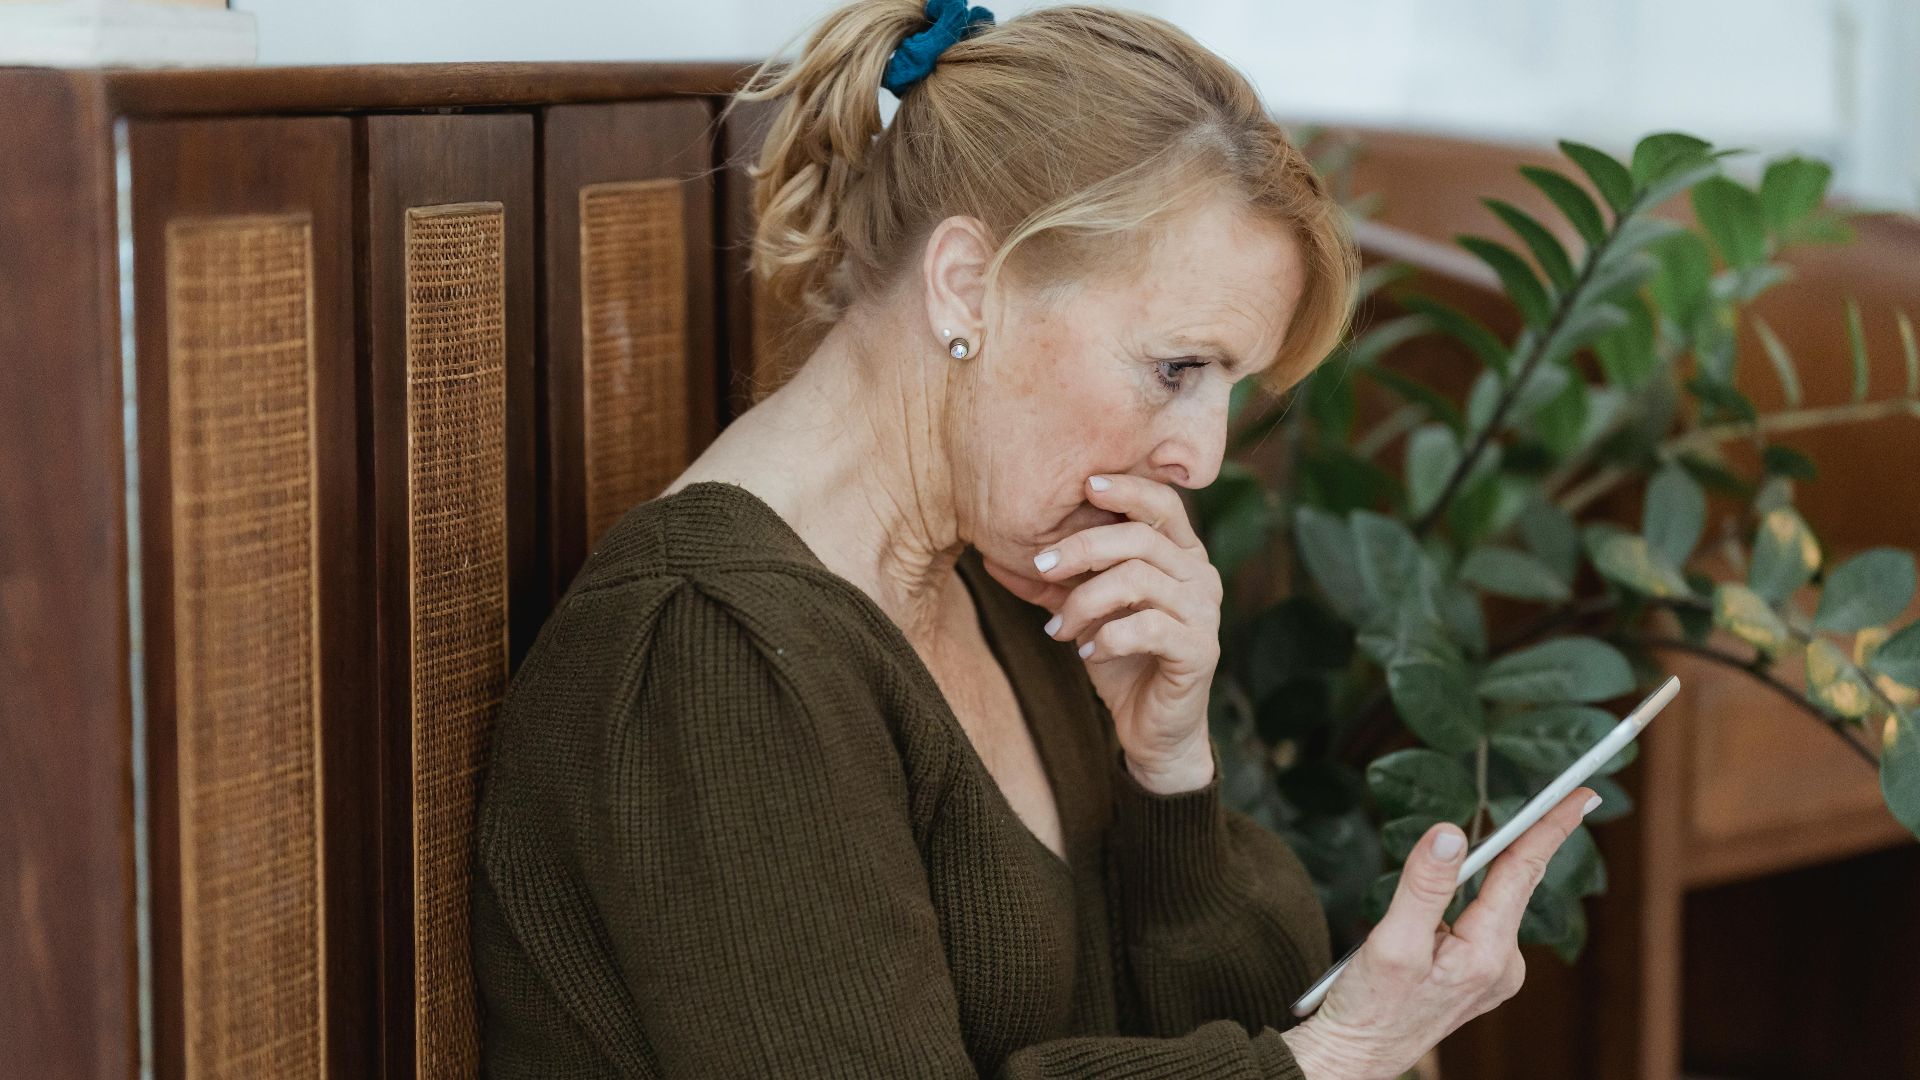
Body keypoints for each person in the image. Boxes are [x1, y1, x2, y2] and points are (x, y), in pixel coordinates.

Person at [468, 1, 1601, 1076]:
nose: (1201, 457)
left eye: (1226, 388)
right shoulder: (708, 653)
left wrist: (1169, 774)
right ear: (968, 286)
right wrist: (1332, 1059)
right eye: (1176, 369)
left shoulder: (1017, 571)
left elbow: (1229, 1017)